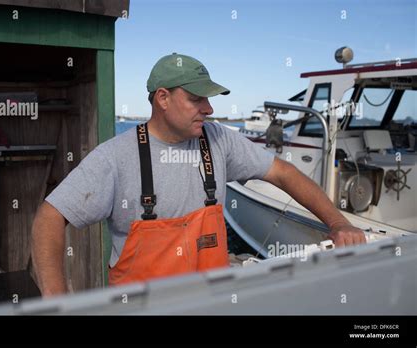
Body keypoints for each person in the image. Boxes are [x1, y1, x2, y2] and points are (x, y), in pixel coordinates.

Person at [32, 53, 366, 297]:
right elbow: (50, 217)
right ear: (162, 98)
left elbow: (284, 173)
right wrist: (58, 304)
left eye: (208, 98)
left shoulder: (219, 140)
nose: (208, 108)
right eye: (196, 98)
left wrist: (338, 223)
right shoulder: (115, 158)